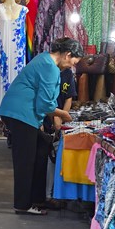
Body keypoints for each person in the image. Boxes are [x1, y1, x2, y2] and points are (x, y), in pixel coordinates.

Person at [0, 38, 84, 215]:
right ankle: (23, 204)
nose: (71, 67)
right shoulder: (50, 67)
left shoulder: (45, 60)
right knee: (26, 160)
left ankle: (37, 199)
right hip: (21, 114)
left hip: (26, 114)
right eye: (73, 62)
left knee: (41, 150)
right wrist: (63, 115)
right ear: (67, 55)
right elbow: (45, 105)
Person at [42, 68, 77, 208]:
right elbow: (47, 99)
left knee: (56, 158)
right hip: (45, 119)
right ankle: (47, 195)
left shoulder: (68, 73)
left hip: (59, 122)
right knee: (47, 159)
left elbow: (69, 98)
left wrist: (62, 116)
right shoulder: (48, 71)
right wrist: (56, 117)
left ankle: (55, 194)